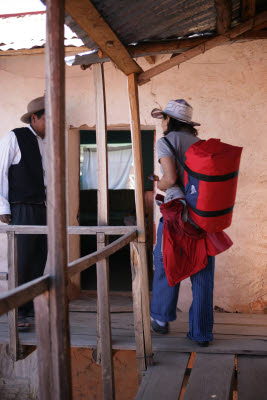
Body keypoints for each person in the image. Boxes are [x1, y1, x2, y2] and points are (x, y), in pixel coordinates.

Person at [150, 99, 216, 346]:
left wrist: (160, 184)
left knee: (166, 261)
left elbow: (171, 177)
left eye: (164, 118)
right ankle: (201, 333)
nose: (163, 122)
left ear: (170, 120)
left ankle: (161, 319)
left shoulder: (165, 142)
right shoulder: (202, 145)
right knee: (202, 270)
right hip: (203, 217)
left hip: (176, 214)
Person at [0, 96, 47, 329]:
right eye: (49, 119)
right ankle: (17, 313)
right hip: (22, 208)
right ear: (34, 117)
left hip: (42, 209)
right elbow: (0, 172)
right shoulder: (15, 136)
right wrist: (3, 207)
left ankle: (29, 311)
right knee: (23, 261)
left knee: (39, 261)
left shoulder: (46, 142)